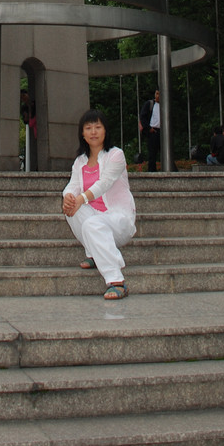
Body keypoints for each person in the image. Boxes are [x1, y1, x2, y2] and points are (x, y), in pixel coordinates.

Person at [62, 109, 136, 300]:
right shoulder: (80, 161)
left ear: (105, 131)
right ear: (83, 134)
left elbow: (104, 183)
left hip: (118, 220)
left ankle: (116, 281)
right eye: (88, 128)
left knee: (92, 223)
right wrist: (68, 197)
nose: (93, 132)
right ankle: (94, 253)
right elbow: (73, 185)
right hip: (97, 220)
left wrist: (80, 199)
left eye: (98, 127)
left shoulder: (115, 155)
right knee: (73, 210)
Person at [139, 88, 161, 172]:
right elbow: (143, 117)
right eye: (157, 93)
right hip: (153, 131)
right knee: (152, 154)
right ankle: (152, 171)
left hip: (163, 131)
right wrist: (148, 128)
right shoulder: (150, 104)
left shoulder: (165, 105)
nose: (158, 96)